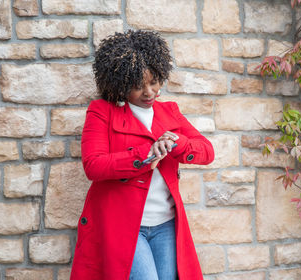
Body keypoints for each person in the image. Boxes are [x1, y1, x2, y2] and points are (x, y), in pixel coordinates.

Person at [70, 29, 215, 280]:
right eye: (138, 86)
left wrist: (178, 143)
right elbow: (93, 165)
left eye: (154, 82)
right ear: (121, 84)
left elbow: (206, 151)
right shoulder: (101, 112)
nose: (149, 92)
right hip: (123, 225)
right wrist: (144, 155)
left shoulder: (169, 111)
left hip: (166, 225)